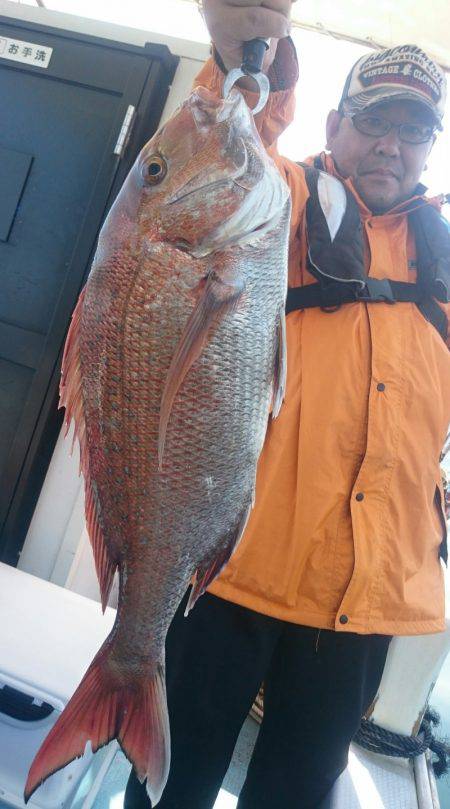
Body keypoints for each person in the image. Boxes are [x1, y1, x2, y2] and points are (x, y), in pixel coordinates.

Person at [124, 2, 450, 807]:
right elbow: (226, 138)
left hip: (367, 596)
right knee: (174, 786)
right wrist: (241, 51)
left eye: (413, 132)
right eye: (375, 122)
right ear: (337, 123)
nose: (391, 146)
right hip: (233, 570)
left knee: (300, 795)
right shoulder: (280, 197)